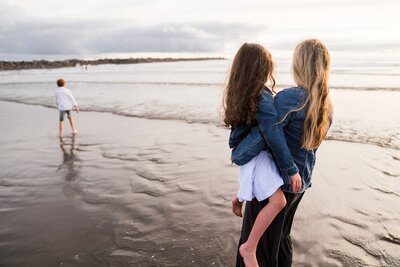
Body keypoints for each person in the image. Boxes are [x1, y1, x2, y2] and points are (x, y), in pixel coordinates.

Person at [233, 39, 333, 267]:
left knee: (256, 250)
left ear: (300, 64)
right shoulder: (326, 106)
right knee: (280, 241)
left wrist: (238, 150)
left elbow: (264, 137)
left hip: (277, 185)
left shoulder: (291, 98)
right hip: (300, 184)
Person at [223, 43, 302, 267]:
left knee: (267, 192)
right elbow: (273, 132)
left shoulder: (240, 90)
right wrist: (291, 169)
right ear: (263, 67)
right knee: (278, 201)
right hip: (257, 158)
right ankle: (249, 248)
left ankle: (239, 197)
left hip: (250, 160)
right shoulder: (262, 95)